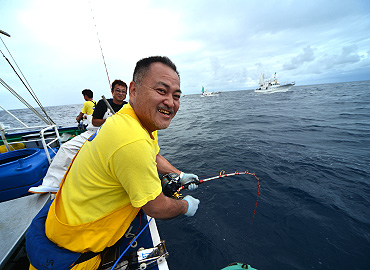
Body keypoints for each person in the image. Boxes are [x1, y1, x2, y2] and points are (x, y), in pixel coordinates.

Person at [26, 56, 200, 269]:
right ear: (134, 91)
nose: (171, 102)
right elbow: (156, 207)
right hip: (73, 252)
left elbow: (152, 156)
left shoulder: (132, 119)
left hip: (61, 222)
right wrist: (185, 206)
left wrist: (179, 174)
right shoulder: (133, 139)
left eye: (176, 95)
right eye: (161, 91)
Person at [28, 80, 128, 194]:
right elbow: (95, 122)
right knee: (66, 148)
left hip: (114, 136)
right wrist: (111, 120)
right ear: (112, 91)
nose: (121, 93)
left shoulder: (128, 107)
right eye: (118, 90)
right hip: (94, 133)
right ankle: (52, 184)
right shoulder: (103, 103)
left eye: (123, 92)